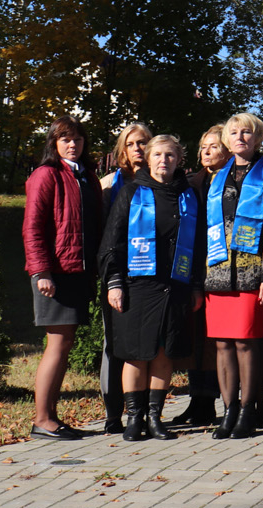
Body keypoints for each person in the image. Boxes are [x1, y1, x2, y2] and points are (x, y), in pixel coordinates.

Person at [99, 135, 206, 441]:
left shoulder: (188, 194)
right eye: (158, 154)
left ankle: (155, 417)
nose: (164, 160)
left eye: (170, 155)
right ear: (147, 158)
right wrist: (114, 282)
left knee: (164, 351)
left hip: (175, 285)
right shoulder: (133, 191)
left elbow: (198, 246)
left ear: (179, 160)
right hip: (136, 284)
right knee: (136, 353)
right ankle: (134, 418)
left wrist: (196, 286)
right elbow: (112, 241)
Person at [204, 113, 263, 440]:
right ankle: (229, 410)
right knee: (223, 344)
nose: (241, 137)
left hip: (253, 275)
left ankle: (248, 410)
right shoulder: (216, 179)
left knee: (247, 343)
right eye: (235, 132)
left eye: (247, 133)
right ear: (227, 138)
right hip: (219, 272)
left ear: (258, 138)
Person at [23, 115, 104, 441]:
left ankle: (50, 416)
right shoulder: (46, 175)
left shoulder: (86, 177)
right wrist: (41, 272)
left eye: (78, 139)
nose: (73, 144)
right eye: (65, 138)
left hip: (77, 272)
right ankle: (43, 419)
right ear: (54, 143)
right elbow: (33, 227)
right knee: (56, 344)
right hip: (53, 274)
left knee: (64, 343)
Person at [96, 122, 151, 434]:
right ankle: (113, 412)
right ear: (122, 150)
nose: (138, 149)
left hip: (150, 276)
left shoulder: (160, 182)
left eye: (143, 142)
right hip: (118, 273)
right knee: (113, 343)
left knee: (144, 345)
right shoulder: (109, 184)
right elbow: (104, 237)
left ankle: (139, 410)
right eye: (132, 144)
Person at [173, 125, 229, 427]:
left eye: (214, 146)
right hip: (193, 265)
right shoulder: (191, 183)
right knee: (197, 337)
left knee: (215, 340)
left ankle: (215, 400)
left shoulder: (236, 182)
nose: (207, 152)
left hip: (223, 268)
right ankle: (198, 400)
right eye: (203, 147)